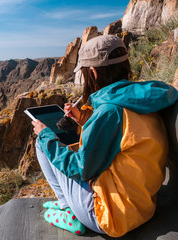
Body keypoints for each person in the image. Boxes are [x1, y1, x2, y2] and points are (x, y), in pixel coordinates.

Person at [31, 35, 178, 237]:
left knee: (42, 143)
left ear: (92, 72)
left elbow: (80, 169)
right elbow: (122, 136)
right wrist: (84, 119)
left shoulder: (110, 112)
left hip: (111, 217)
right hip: (142, 207)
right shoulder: (139, 99)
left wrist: (46, 135)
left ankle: (68, 210)